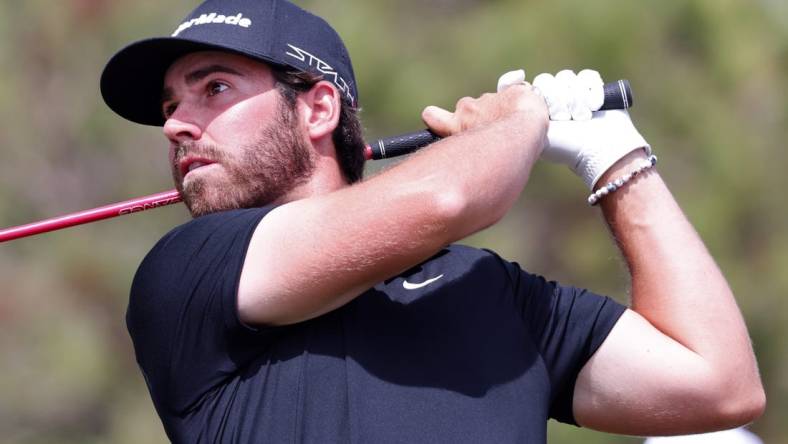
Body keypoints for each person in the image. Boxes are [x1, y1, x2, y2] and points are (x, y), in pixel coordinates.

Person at [100, 0, 765, 442]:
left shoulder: (489, 290)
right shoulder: (187, 272)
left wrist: (617, 159)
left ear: (318, 110)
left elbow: (718, 383)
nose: (178, 124)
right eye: (171, 106)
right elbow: (444, 201)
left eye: (213, 88)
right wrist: (523, 120)